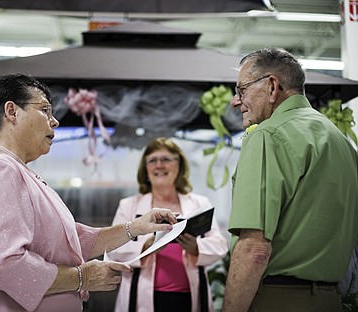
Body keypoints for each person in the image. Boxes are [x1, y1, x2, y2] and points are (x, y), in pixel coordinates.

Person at [0, 73, 178, 312]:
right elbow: (4, 264)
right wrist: (82, 277)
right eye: (45, 110)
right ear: (12, 112)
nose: (55, 121)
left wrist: (136, 227)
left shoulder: (15, 169)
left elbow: (71, 243)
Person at [223, 47, 358, 312]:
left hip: (278, 299)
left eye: (242, 90)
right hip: (332, 299)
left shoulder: (267, 136)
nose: (235, 102)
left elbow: (254, 250)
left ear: (272, 86)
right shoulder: (341, 142)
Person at [108, 137, 228, 312]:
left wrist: (196, 247)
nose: (159, 165)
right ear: (145, 169)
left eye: (166, 159)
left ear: (179, 166)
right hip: (141, 298)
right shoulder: (129, 206)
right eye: (152, 161)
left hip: (188, 299)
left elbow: (220, 245)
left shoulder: (200, 204)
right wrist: (146, 246)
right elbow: (114, 248)